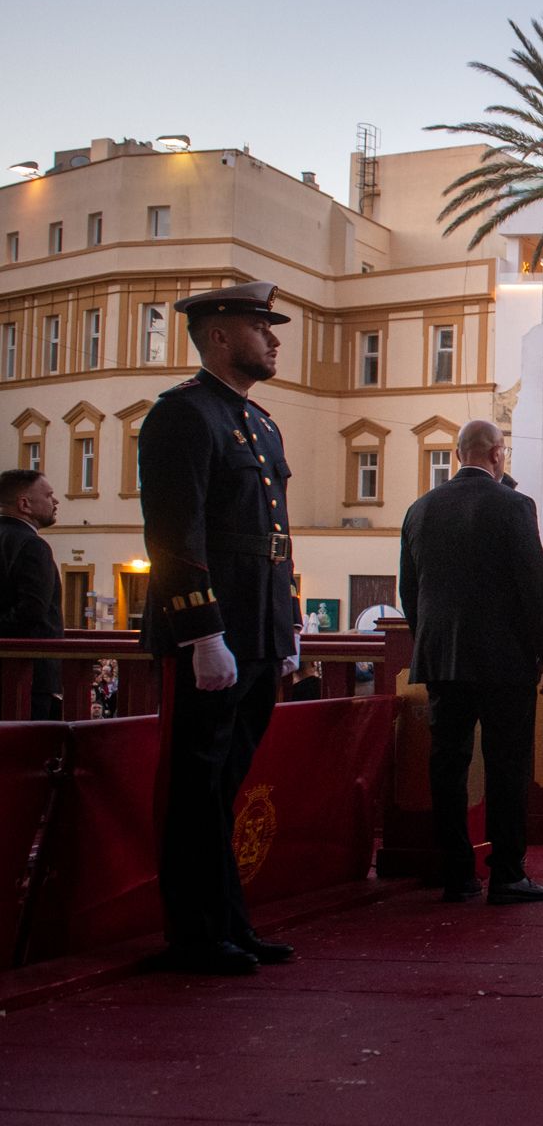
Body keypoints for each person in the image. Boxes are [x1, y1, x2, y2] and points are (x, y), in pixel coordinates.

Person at [138, 281, 302, 976]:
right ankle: (196, 933)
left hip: (257, 626)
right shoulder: (183, 416)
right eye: (260, 327)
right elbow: (176, 533)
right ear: (219, 336)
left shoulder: (260, 424)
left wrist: (288, 623)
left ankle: (228, 921)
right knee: (197, 784)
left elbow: (275, 533)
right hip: (216, 630)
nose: (273, 339)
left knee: (226, 783)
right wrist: (204, 631)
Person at [400, 419, 543, 906]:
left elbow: (410, 592)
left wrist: (427, 640)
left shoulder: (420, 509)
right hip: (504, 659)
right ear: (497, 454)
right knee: (506, 765)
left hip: (441, 657)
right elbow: (533, 586)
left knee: (447, 766)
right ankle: (508, 874)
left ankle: (456, 873)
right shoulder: (513, 506)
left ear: (456, 454)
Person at [0, 469, 64, 719]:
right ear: (25, 504)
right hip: (31, 678)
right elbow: (32, 611)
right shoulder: (32, 545)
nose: (55, 501)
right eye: (48, 495)